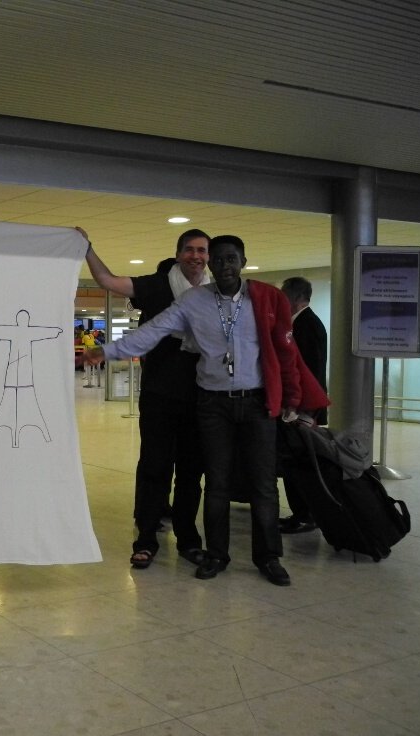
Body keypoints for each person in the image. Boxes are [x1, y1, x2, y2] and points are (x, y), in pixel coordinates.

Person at [87, 236, 329, 586]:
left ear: (243, 261)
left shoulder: (266, 298)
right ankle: (217, 554)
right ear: (210, 266)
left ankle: (268, 557)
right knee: (217, 483)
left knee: (263, 484)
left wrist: (292, 399)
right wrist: (107, 351)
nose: (224, 265)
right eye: (218, 259)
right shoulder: (192, 301)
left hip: (258, 402)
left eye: (232, 258)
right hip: (212, 403)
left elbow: (285, 353)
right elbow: (152, 332)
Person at [77, 226, 209, 570]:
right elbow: (108, 281)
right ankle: (146, 538)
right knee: (155, 467)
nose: (197, 256)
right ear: (179, 253)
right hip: (160, 393)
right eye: (190, 250)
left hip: (203, 395)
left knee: (192, 473)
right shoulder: (158, 285)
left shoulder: (216, 293)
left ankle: (188, 539)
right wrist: (87, 248)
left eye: (202, 250)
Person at [278, 276, 328, 534]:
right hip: (300, 407)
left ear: (296, 298)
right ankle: (302, 513)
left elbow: (311, 370)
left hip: (303, 408)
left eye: (283, 297)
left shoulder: (307, 326)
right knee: (292, 462)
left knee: (298, 463)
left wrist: (305, 410)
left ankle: (305, 514)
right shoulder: (304, 323)